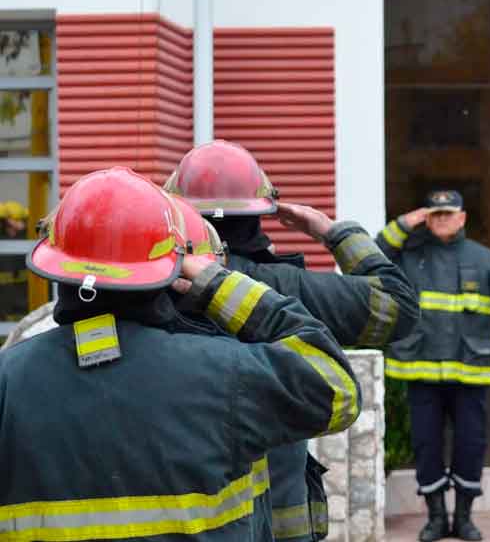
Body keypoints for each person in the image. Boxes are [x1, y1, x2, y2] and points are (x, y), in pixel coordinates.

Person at [2, 167, 360, 540]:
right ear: (173, 273)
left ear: (56, 267)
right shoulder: (228, 373)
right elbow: (337, 387)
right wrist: (219, 285)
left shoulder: (8, 379)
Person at [165, 139, 419, 542]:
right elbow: (397, 306)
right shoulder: (286, 289)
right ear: (261, 213)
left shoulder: (153, 290)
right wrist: (333, 232)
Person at [376, 190, 490, 542]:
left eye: (449, 214)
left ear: (463, 218)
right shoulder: (408, 257)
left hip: (470, 374)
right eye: (436, 214)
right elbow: (369, 256)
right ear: (426, 218)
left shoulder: (486, 260)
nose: (443, 219)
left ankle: (464, 519)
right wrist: (403, 224)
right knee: (426, 447)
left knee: (470, 446)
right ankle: (435, 519)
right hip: (420, 372)